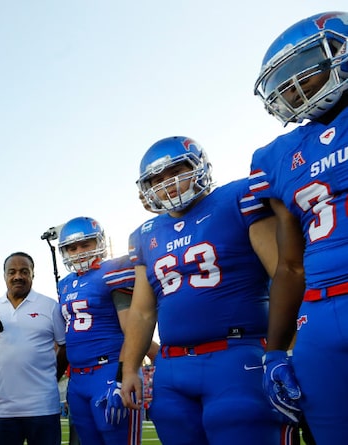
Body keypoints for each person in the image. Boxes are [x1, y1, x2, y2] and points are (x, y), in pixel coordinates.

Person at [120, 136, 286, 444]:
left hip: (236, 355)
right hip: (171, 367)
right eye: (156, 179)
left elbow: (282, 274)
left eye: (175, 171)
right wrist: (129, 369)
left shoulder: (238, 197)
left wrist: (286, 348)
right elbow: (143, 312)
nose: (167, 183)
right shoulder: (144, 234)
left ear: (199, 167)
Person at [249, 11, 348, 444]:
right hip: (318, 314)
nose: (292, 85)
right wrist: (273, 351)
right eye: (282, 80)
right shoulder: (279, 154)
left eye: (302, 67)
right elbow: (289, 266)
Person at [54, 216, 157, 445]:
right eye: (72, 247)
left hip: (108, 371)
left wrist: (122, 377)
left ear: (99, 243)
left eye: (85, 244)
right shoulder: (65, 284)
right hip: (78, 379)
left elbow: (133, 329)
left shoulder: (114, 270)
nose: (79, 251)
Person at [0, 252, 67, 445]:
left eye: (24, 271)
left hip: (43, 407)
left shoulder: (50, 306)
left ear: (33, 275)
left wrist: (52, 376)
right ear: (4, 276)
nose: (18, 276)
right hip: (3, 408)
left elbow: (64, 346)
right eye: (12, 272)